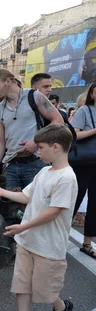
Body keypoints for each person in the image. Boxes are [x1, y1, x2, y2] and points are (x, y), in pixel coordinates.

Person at [0, 124, 78, 311]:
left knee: (45, 290)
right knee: (22, 284)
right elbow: (27, 197)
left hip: (49, 244)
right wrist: (1, 191)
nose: (37, 151)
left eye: (41, 148)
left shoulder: (67, 178)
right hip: (28, 240)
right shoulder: (44, 171)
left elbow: (54, 212)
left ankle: (61, 308)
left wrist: (23, 226)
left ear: (55, 147)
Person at [0, 68, 63, 188]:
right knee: (13, 205)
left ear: (8, 81)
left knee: (37, 204)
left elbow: (58, 120)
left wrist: (37, 142)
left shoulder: (34, 96)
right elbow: (0, 141)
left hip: (35, 162)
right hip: (11, 165)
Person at [70, 82, 96, 259]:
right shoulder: (84, 111)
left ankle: (87, 243)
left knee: (95, 205)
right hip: (84, 162)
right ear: (92, 94)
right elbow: (75, 134)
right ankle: (57, 239)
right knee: (73, 200)